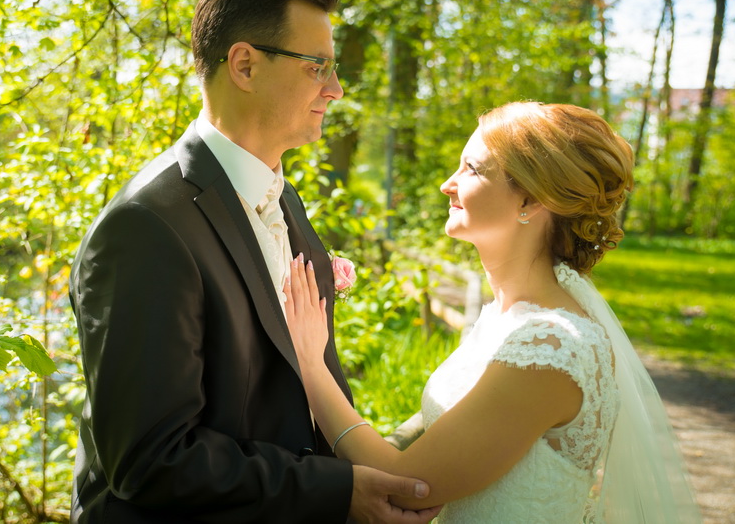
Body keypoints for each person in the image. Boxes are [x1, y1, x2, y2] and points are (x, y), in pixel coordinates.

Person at [68, 0, 440, 523]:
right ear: (244, 65)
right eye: (318, 67)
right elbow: (150, 460)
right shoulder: (145, 227)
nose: (336, 90)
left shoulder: (284, 200)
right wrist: (334, 492)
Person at [285, 101, 702, 523]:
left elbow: (404, 483)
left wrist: (310, 363)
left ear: (532, 200)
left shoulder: (551, 348)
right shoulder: (510, 317)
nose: (448, 184)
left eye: (473, 169)